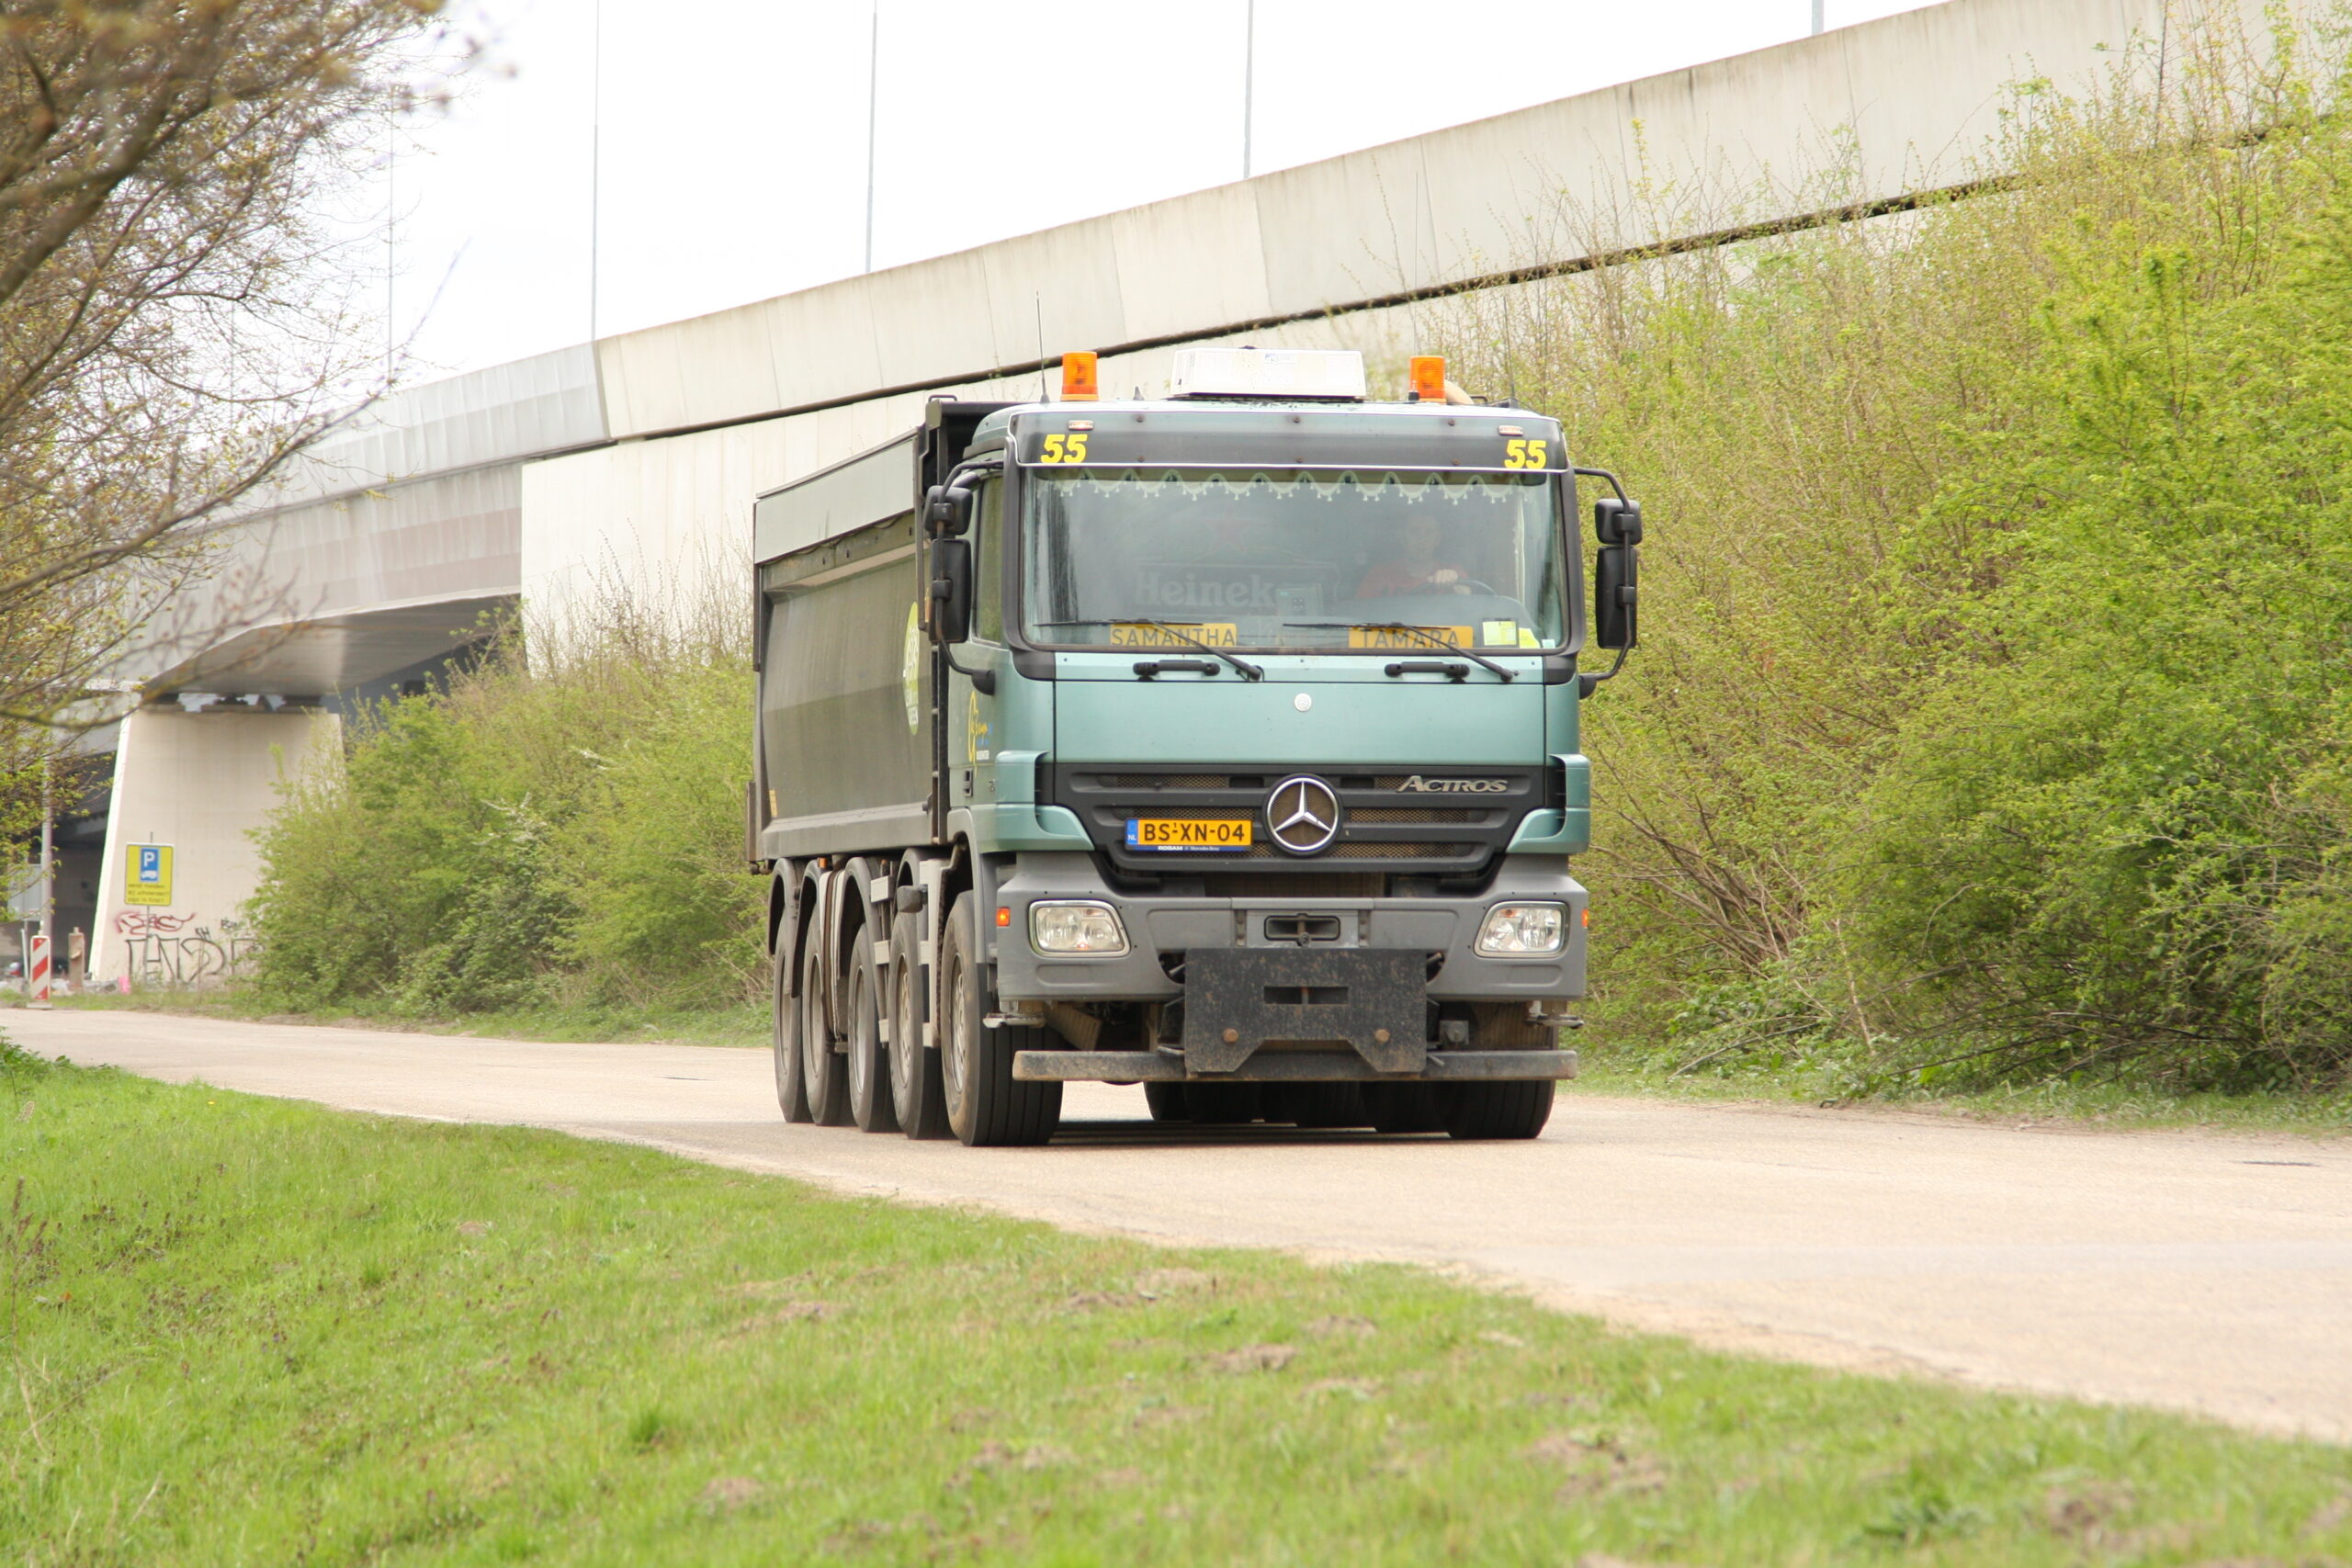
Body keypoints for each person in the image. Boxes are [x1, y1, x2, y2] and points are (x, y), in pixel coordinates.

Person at [1355, 513, 1472, 598]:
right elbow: (1360, 614)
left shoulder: (1453, 570)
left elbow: (1468, 600)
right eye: (1414, 532)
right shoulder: (1379, 574)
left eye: (1428, 533)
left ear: (1438, 539)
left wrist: (1454, 583)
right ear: (1402, 538)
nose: (1421, 540)